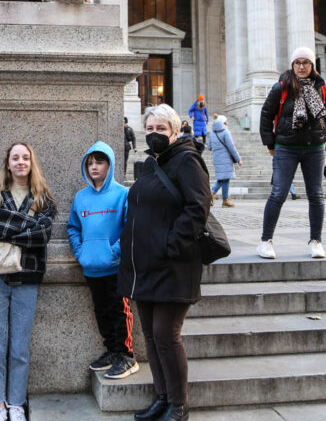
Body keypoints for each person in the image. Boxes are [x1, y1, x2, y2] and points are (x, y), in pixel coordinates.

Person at [118, 104, 208, 421]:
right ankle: (162, 398)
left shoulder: (187, 160)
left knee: (167, 335)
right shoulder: (150, 164)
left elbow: (198, 208)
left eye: (161, 129)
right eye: (150, 129)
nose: (154, 134)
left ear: (174, 130)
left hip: (174, 265)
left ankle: (178, 405)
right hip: (145, 266)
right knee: (153, 337)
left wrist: (172, 245)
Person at [0, 143, 56, 421]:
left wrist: (9, 233)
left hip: (28, 275)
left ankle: (16, 403)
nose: (21, 162)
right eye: (16, 157)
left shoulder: (44, 197)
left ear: (32, 162)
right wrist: (28, 225)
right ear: (8, 163)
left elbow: (43, 235)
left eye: (26, 157)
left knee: (20, 347)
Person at [67, 142, 137, 380]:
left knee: (119, 311)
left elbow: (130, 228)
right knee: (102, 312)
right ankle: (112, 351)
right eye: (90, 163)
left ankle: (127, 356)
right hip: (91, 267)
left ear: (110, 165)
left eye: (99, 162)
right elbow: (73, 228)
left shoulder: (122, 194)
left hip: (115, 267)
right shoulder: (81, 197)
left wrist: (114, 252)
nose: (94, 167)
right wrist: (81, 252)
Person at [258, 46, 326, 260]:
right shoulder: (281, 86)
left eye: (305, 62)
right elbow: (266, 115)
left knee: (316, 195)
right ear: (292, 65)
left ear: (312, 65)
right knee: (278, 193)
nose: (301, 66)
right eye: (297, 63)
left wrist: (324, 136)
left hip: (314, 149)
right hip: (286, 148)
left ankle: (316, 241)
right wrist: (270, 144)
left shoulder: (322, 86)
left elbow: (325, 114)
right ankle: (266, 241)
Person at [209, 115, 242, 207]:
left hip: (216, 158)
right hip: (226, 158)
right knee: (225, 179)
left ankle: (211, 194)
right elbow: (231, 147)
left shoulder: (212, 133)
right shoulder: (226, 132)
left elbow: (209, 146)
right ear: (224, 123)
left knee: (222, 178)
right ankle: (225, 200)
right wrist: (238, 159)